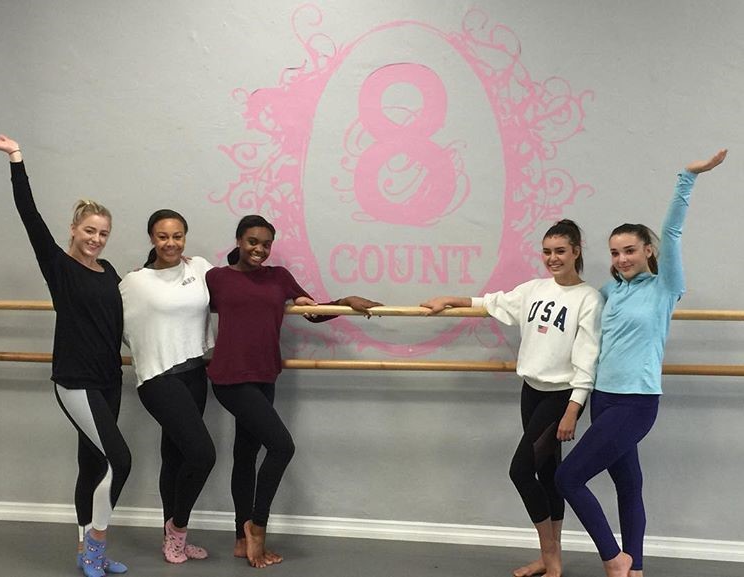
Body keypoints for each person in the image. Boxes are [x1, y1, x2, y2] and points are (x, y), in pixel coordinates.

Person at [554, 149, 727, 577]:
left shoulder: (665, 287)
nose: (621, 259)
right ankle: (636, 568)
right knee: (629, 486)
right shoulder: (611, 291)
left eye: (629, 250)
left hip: (636, 403)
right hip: (603, 399)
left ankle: (615, 560)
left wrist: (688, 176)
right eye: (614, 253)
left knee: (567, 478)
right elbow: (579, 318)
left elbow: (672, 232)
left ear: (648, 251)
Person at [421, 219, 603, 577]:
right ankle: (550, 558)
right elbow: (492, 302)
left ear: (576, 252)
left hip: (561, 397)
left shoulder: (589, 299)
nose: (552, 258)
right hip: (531, 392)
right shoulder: (534, 289)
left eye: (560, 251)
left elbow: (588, 358)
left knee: (521, 471)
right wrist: (450, 299)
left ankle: (551, 556)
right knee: (547, 473)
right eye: (547, 252)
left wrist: (574, 409)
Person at [206, 214, 382, 569]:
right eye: (252, 242)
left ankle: (240, 539)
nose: (259, 249)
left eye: (266, 244)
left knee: (246, 453)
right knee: (282, 446)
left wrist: (345, 301)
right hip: (230, 378)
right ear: (238, 241)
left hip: (265, 375)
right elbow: (181, 303)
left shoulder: (279, 277)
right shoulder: (216, 278)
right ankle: (257, 528)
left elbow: (311, 312)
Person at [0, 135, 131, 577]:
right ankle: (96, 546)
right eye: (89, 230)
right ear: (74, 229)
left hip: (110, 380)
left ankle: (84, 550)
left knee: (92, 463)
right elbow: (28, 214)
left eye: (103, 233)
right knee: (120, 460)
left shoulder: (109, 272)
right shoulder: (59, 266)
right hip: (76, 381)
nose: (96, 239)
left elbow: (118, 323)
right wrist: (16, 159)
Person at [119, 209, 216, 563]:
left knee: (175, 456)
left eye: (177, 236)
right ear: (152, 239)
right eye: (163, 236)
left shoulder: (199, 268)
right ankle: (177, 530)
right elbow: (118, 324)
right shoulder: (135, 281)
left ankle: (172, 537)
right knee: (203, 455)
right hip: (159, 378)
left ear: (185, 237)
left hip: (195, 373)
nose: (171, 243)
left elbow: (236, 285)